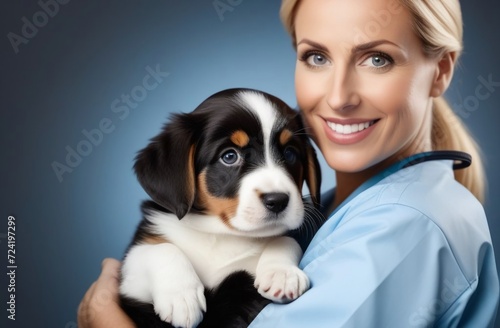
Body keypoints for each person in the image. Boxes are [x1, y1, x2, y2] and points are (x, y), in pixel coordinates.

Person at [78, 0, 500, 326]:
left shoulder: (407, 226)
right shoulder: (344, 208)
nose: (339, 96)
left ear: (441, 71)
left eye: (377, 59)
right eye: (317, 56)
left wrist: (105, 320)